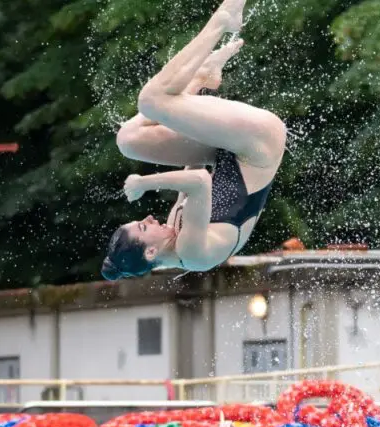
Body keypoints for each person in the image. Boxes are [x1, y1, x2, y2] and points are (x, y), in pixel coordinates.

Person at [102, 0, 286, 280]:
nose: (149, 218)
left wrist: (190, 100)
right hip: (258, 144)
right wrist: (143, 183)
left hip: (227, 150)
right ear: (151, 252)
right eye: (142, 227)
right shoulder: (194, 254)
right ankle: (222, 21)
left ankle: (200, 78)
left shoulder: (175, 234)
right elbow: (200, 180)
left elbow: (192, 167)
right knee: (151, 101)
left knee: (128, 140)